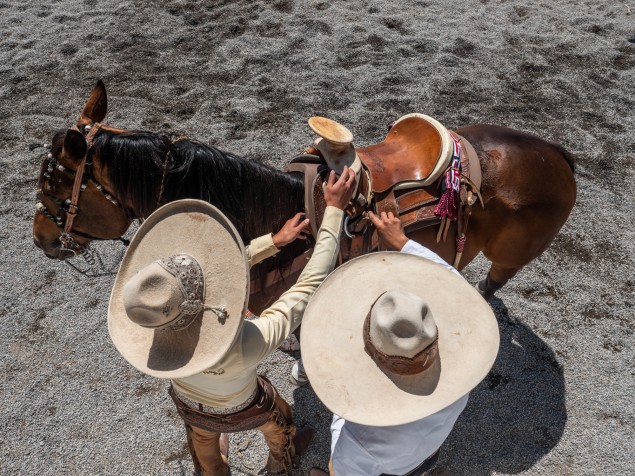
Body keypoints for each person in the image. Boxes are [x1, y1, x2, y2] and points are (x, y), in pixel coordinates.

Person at [107, 167, 356, 475]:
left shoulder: (150, 320)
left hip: (189, 405)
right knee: (281, 422)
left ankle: (213, 467)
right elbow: (309, 282)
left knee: (204, 445)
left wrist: (273, 242)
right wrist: (333, 212)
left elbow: (219, 273)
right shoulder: (246, 343)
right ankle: (280, 463)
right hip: (244, 407)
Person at [303, 210, 500, 476]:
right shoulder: (467, 367)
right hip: (428, 451)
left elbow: (344, 464)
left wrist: (342, 384)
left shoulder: (358, 442)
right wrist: (403, 242)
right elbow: (451, 277)